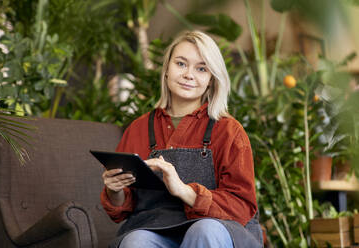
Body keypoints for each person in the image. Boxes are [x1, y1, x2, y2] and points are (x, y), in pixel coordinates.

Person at [101, 30, 263, 248]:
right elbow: (121, 210)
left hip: (216, 230)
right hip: (156, 229)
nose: (189, 74)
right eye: (181, 64)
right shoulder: (139, 128)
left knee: (204, 229)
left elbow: (242, 206)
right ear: (167, 69)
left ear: (211, 80)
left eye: (201, 68)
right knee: (135, 241)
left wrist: (185, 191)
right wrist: (115, 190)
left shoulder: (229, 131)